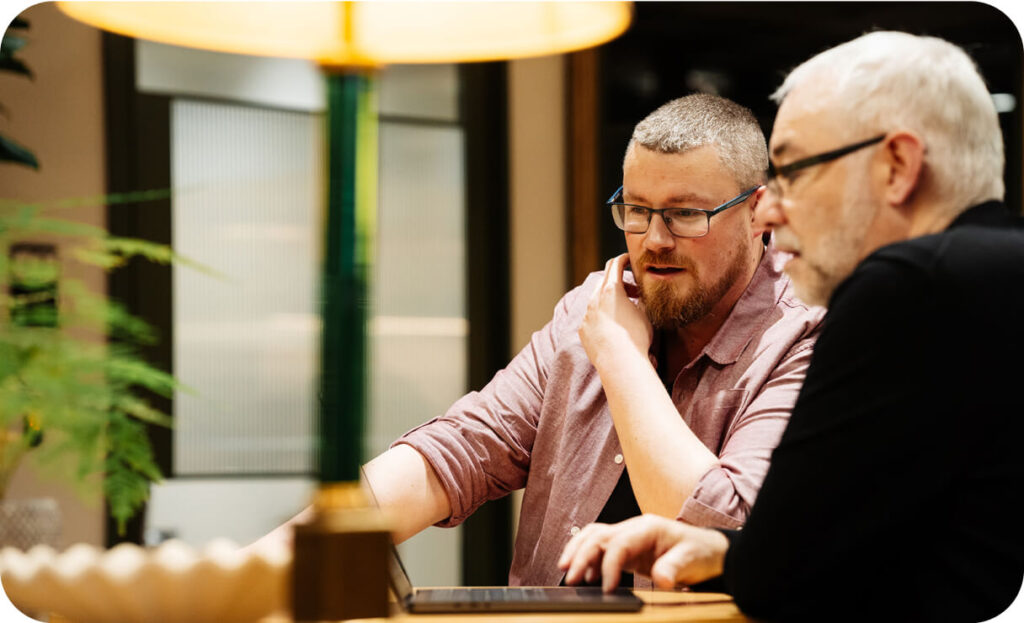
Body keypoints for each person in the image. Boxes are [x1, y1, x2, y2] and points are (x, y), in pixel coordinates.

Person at [559, 31, 1024, 621]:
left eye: (796, 171)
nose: (772, 212)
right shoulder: (994, 271)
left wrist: (743, 557)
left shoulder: (906, 285)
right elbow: (868, 552)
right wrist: (727, 550)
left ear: (897, 167)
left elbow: (778, 577)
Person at [269, 94, 824, 586]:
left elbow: (719, 530)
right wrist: (286, 556)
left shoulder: (803, 334)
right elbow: (465, 446)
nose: (654, 240)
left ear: (758, 212)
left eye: (684, 214)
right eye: (636, 211)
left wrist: (622, 358)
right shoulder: (593, 308)